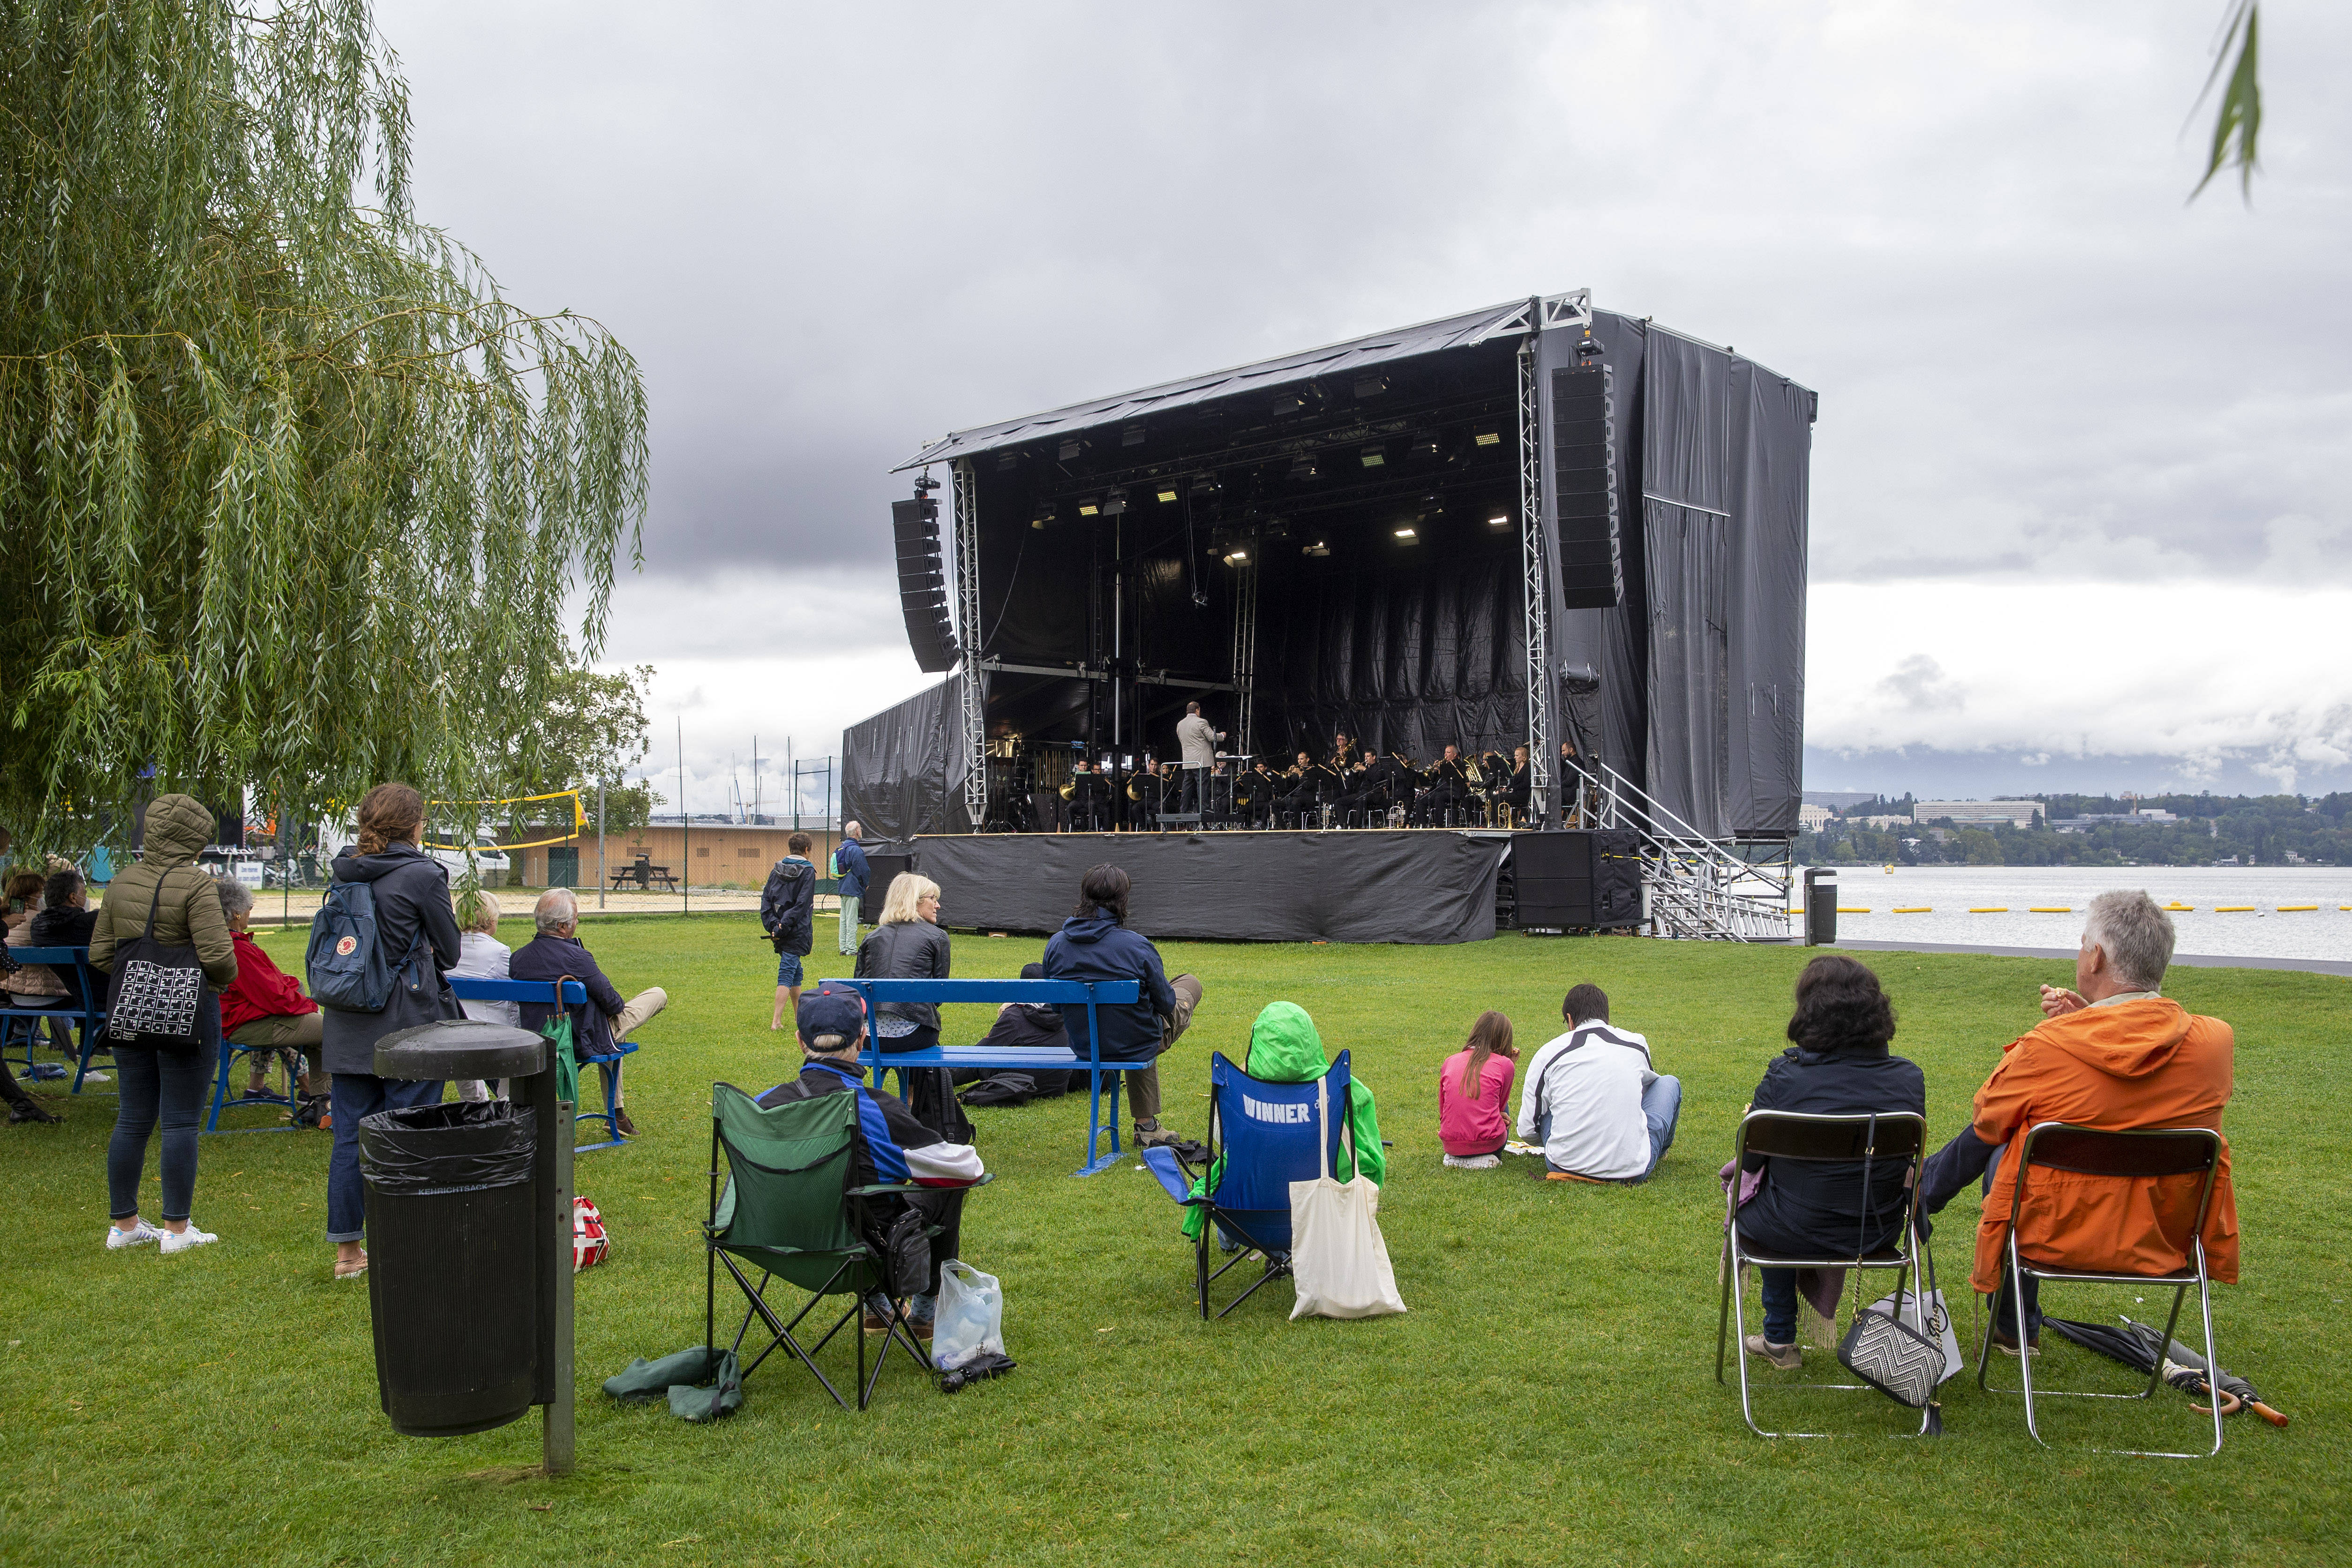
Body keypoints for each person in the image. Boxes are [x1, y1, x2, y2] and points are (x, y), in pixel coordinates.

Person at [1914, 890, 2238, 1357]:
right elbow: (2137, 1078)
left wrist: (2073, 1030)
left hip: (2056, 1232)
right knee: (2014, 1140)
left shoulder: (2047, 1047)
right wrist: (2092, 1022)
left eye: (2083, 942)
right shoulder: (2214, 1044)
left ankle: (1925, 1201)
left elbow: (1988, 1120)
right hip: (2162, 1234)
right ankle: (1926, 1196)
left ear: (2097, 957)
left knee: (2008, 1143)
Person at [1733, 954, 1925, 1370]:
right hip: (1875, 1230)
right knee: (1788, 1194)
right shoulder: (1908, 1078)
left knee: (1761, 1195)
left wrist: (1758, 1123)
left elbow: (1749, 1162)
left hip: (1791, 1227)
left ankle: (1778, 1336)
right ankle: (1778, 1335)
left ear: (1809, 1011)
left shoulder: (1785, 1077)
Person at [759, 992, 986, 1341]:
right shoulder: (876, 1109)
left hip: (774, 1242)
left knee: (846, 1199)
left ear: (800, 1041)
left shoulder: (762, 1106)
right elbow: (966, 1168)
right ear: (863, 1038)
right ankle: (924, 1311)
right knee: (949, 1185)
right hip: (864, 1250)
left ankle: (879, 1307)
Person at [316, 783, 462, 1278]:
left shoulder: (344, 870)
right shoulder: (423, 874)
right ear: (415, 824)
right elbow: (450, 949)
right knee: (409, 1130)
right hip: (405, 1023)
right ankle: (405, 1241)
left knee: (350, 1137)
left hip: (347, 1018)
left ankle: (348, 1253)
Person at [88, 792, 239, 1253]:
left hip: (130, 1011)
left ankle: (125, 1226)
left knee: (132, 1118)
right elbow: (221, 961)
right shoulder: (196, 885)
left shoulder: (120, 882)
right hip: (188, 1014)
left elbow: (99, 955)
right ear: (196, 839)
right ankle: (176, 1230)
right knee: (179, 1123)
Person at [1182, 1000, 1385, 1241]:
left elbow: (1225, 1153)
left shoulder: (1238, 1092)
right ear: (1310, 1040)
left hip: (1242, 1219)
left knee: (1235, 1167)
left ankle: (1244, 1242)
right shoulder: (1345, 1091)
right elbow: (1369, 1164)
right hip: (1324, 1217)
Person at [1042, 863, 1203, 1149]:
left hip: (1085, 1046)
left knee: (1135, 1023)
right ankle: (1147, 1126)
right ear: (1122, 901)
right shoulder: (1137, 946)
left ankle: (1147, 1125)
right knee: (1189, 984)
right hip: (1136, 1042)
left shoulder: (1056, 945)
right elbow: (1167, 1003)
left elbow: (1055, 1007)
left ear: (1083, 897)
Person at [512, 887, 667, 1139]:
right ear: (563, 927)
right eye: (576, 918)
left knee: (614, 1033)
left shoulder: (518, 959)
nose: (577, 922)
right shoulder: (577, 958)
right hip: (577, 1041)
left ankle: (618, 1115)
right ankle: (616, 1115)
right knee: (657, 995)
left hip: (537, 1038)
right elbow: (615, 1004)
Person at [1516, 983, 1680, 1183]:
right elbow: (1646, 1091)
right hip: (1632, 1170)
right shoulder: (1636, 1044)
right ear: (1606, 1016)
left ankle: (1576, 1149)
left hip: (1564, 1164)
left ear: (1570, 1019)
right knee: (1669, 1083)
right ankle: (1653, 1151)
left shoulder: (1548, 1053)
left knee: (1547, 1110)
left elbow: (1527, 1128)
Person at [214, 875, 320, 1106]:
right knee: (332, 1030)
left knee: (308, 1023)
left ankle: (307, 1092)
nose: (251, 911)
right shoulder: (237, 948)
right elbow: (275, 997)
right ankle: (320, 1097)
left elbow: (272, 987)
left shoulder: (223, 942)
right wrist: (310, 1005)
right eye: (248, 907)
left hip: (241, 1019)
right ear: (236, 913)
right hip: (244, 1024)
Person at [955, 961, 1076, 1096]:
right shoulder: (1063, 1013)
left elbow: (980, 1053)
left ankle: (941, 1078)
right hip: (1056, 1088)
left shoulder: (1014, 1016)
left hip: (1023, 1085)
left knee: (979, 1064)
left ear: (1021, 987)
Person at [447, 890, 517, 1102]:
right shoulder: (499, 952)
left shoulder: (449, 948)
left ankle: (475, 1102)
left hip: (453, 1034)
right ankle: (505, 1099)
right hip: (493, 1035)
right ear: (491, 920)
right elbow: (514, 995)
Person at [1439, 1011, 1519, 1169]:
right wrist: (1510, 1063)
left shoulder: (1450, 1062)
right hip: (1490, 1144)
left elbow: (1443, 1109)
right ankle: (1487, 1151)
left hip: (1451, 1145)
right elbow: (1501, 1106)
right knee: (1498, 1104)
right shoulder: (1505, 1064)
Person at [761, 832, 818, 1029]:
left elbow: (766, 899)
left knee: (795, 972)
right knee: (787, 972)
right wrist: (783, 926)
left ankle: (798, 1017)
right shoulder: (808, 872)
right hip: (796, 929)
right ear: (807, 850)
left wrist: (774, 925)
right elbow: (802, 904)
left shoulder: (776, 869)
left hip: (780, 928)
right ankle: (776, 1021)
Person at [1175, 700, 1225, 816]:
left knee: (1187, 784)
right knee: (1203, 784)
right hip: (1202, 761)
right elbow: (1211, 737)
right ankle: (1204, 808)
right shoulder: (1201, 722)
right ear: (1197, 709)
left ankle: (1183, 809)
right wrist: (1222, 735)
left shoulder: (1180, 724)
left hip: (1188, 760)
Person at [835, 821, 871, 956]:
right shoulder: (856, 850)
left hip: (843, 886)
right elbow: (863, 869)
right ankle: (851, 949)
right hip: (853, 887)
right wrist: (865, 883)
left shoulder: (842, 847)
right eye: (860, 829)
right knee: (851, 919)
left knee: (844, 919)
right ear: (857, 832)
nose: (861, 831)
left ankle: (843, 947)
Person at [1060, 758, 1112, 833]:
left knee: (1093, 804)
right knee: (1070, 807)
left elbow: (1098, 790)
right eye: (1081, 765)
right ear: (1078, 766)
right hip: (1078, 801)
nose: (1083, 767)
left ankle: (1091, 828)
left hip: (1088, 800)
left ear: (1087, 766)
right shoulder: (1074, 777)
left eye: (1085, 765)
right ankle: (1073, 829)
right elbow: (1069, 790)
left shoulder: (1092, 777)